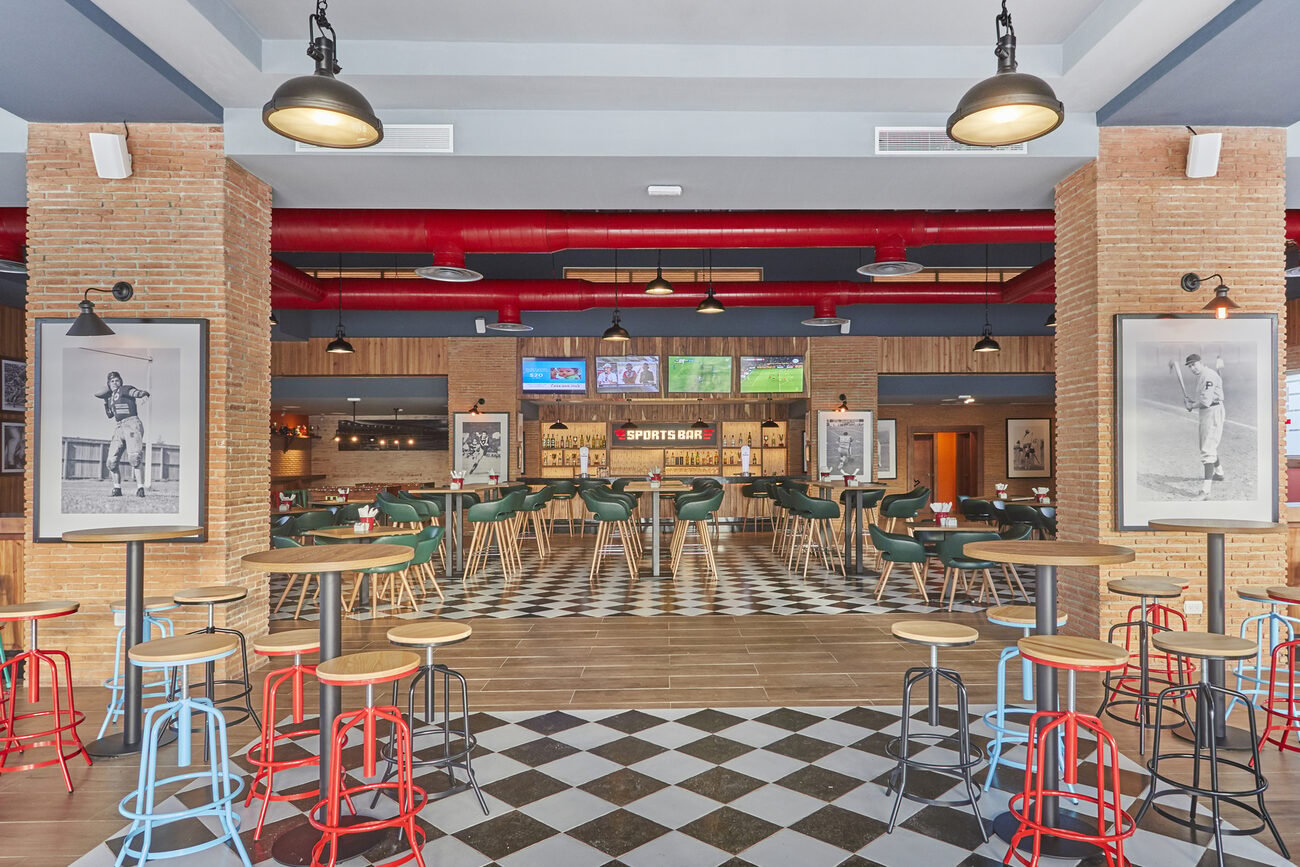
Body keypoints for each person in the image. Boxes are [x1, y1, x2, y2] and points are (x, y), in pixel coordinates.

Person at [95, 370, 150, 497]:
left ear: (120, 382)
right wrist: (105, 401)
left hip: (132, 423)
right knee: (111, 462)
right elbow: (110, 415)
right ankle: (117, 489)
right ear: (108, 384)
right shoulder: (111, 398)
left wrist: (143, 394)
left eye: (117, 380)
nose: (115, 382)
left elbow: (134, 392)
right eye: (112, 381)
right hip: (119, 426)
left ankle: (140, 488)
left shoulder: (124, 389)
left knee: (134, 458)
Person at [1183, 353, 1225, 498]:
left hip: (1213, 411)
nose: (1192, 368)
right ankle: (1219, 472)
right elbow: (1204, 399)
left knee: (1207, 447)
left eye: (1194, 364)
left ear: (1201, 362)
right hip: (1207, 411)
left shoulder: (1208, 375)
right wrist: (1192, 402)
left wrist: (1191, 406)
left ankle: (1206, 491)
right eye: (1190, 366)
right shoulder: (1203, 375)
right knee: (1208, 443)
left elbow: (1206, 401)